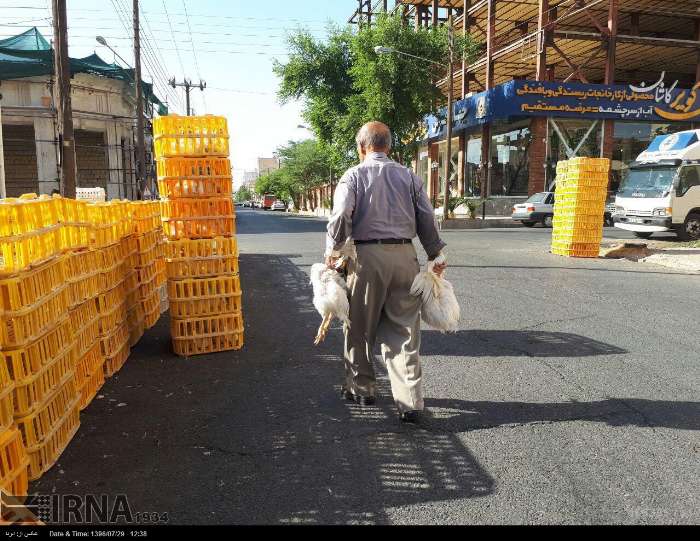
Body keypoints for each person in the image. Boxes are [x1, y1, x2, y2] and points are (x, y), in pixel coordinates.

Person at [325, 121, 446, 424]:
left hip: (367, 258)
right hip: (406, 257)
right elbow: (426, 218)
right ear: (389, 147)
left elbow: (341, 214)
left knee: (359, 326)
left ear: (361, 147)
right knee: (405, 331)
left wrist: (335, 249)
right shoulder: (409, 176)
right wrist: (435, 253)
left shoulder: (353, 175)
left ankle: (362, 388)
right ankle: (410, 402)